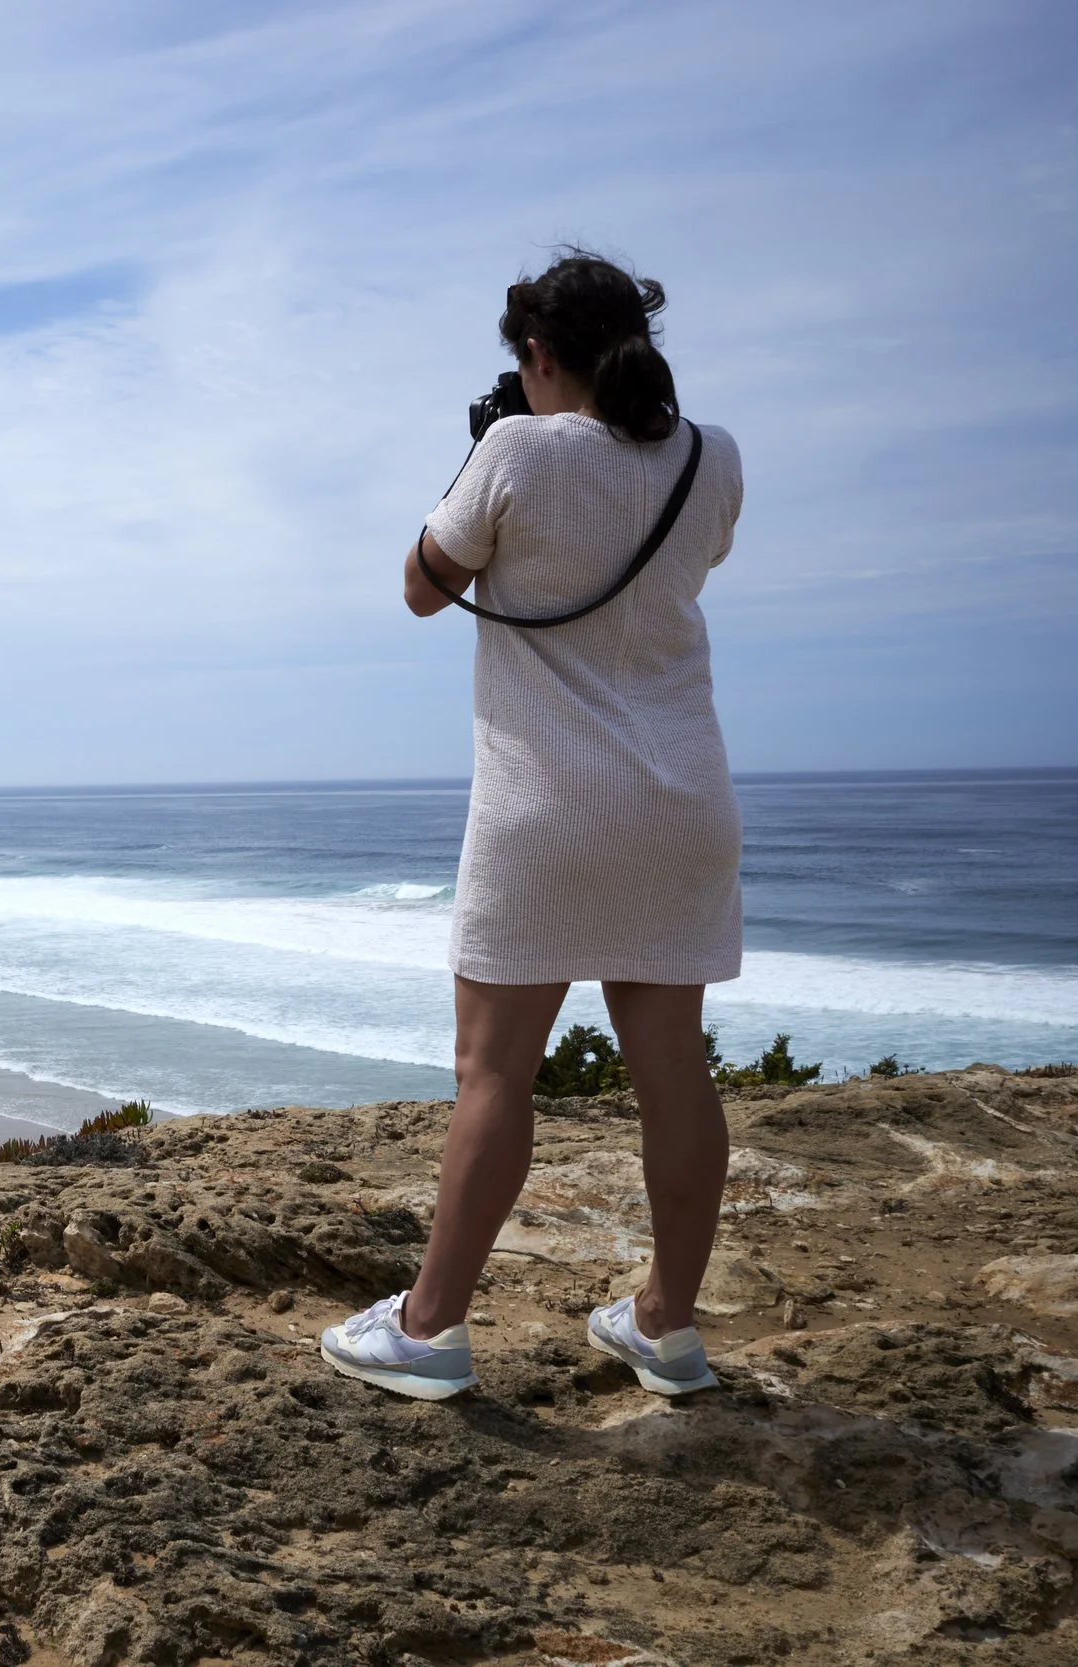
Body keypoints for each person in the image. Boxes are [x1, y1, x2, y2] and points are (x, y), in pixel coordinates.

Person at [322, 251, 745, 1403]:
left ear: (538, 354)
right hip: (681, 803)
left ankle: (428, 1327)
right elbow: (684, 556)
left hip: (547, 809)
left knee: (494, 1071)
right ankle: (665, 1324)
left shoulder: (512, 448)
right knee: (674, 1069)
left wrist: (479, 455)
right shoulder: (711, 456)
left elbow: (421, 584)